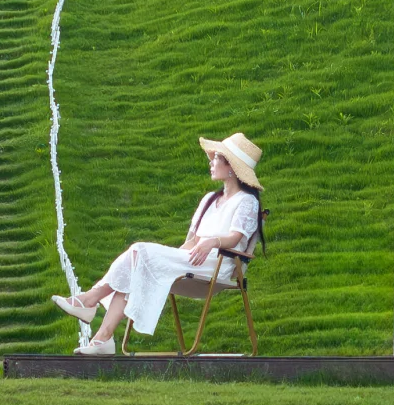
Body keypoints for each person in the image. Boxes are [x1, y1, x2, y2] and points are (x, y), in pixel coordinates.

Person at [52, 132, 265, 355]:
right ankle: (102, 338)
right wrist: (168, 258)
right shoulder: (209, 199)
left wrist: (211, 242)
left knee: (138, 250)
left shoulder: (246, 201)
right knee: (138, 262)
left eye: (216, 158)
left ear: (230, 166)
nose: (211, 162)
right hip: (191, 259)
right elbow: (191, 241)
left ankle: (89, 300)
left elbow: (236, 238)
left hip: (217, 265)